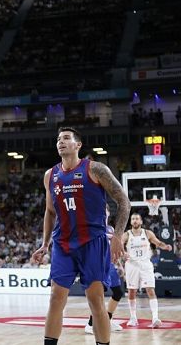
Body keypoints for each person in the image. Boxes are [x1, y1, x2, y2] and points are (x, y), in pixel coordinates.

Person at [31, 127, 130, 345]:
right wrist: (45, 243)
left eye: (66, 138)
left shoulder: (96, 170)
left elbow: (124, 202)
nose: (61, 142)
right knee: (56, 298)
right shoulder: (50, 175)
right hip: (63, 243)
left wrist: (117, 236)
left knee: (95, 301)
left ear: (78, 145)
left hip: (92, 243)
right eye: (58, 139)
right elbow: (49, 211)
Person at [123, 212, 173, 327]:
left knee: (150, 290)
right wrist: (124, 253)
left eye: (137, 219)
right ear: (131, 222)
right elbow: (120, 245)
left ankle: (155, 318)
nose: (135, 221)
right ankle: (133, 317)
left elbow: (158, 242)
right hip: (132, 265)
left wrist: (165, 246)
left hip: (145, 264)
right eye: (133, 219)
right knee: (132, 292)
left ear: (141, 222)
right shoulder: (126, 234)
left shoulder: (147, 233)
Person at [85, 205, 125, 334]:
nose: (104, 212)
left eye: (105, 210)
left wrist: (120, 265)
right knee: (98, 295)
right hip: (97, 264)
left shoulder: (111, 229)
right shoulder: (92, 227)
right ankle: (90, 324)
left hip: (110, 265)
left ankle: (107, 319)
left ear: (108, 213)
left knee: (118, 292)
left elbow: (113, 248)